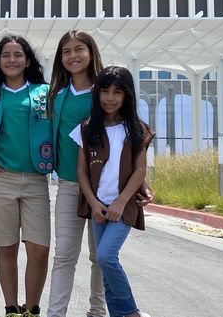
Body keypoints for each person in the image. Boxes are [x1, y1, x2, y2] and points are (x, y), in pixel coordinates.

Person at [46, 31, 153, 317]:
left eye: (79, 49)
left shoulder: (106, 89)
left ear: (91, 53)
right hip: (71, 184)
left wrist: (141, 183)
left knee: (100, 257)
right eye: (66, 51)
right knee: (64, 255)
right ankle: (55, 313)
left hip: (107, 191)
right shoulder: (55, 96)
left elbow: (129, 145)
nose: (73, 56)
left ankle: (97, 310)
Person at [0, 36, 52, 317]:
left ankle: (32, 308)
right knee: (7, 247)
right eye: (6, 55)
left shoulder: (45, 93)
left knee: (39, 249)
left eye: (18, 55)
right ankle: (11, 309)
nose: (12, 60)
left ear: (28, 60)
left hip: (36, 179)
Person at [73, 66, 155, 317]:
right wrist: (93, 203)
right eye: (105, 91)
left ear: (127, 95)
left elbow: (139, 170)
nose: (110, 98)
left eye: (117, 92)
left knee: (107, 256)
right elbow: (82, 171)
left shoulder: (137, 130)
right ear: (97, 94)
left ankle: (131, 312)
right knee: (102, 262)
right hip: (98, 207)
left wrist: (121, 201)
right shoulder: (87, 129)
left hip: (123, 206)